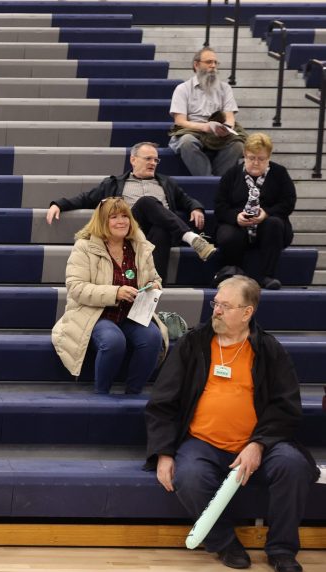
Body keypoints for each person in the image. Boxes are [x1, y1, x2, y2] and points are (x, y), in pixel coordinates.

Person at [145, 276, 318, 572]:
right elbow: (162, 402)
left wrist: (259, 444)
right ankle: (224, 543)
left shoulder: (268, 350)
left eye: (226, 306)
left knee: (293, 465)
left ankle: (281, 550)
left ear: (247, 312)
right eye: (216, 303)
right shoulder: (194, 344)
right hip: (202, 442)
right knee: (189, 475)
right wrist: (164, 452)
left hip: (257, 443)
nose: (217, 311)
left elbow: (286, 406)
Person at [46, 141, 215, 282]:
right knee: (146, 202)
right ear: (133, 160)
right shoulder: (114, 183)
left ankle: (153, 287)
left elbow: (186, 199)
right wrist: (59, 205)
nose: (153, 163)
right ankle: (191, 238)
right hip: (130, 230)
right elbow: (85, 198)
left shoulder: (166, 183)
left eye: (156, 160)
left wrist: (196, 207)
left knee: (161, 230)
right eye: (148, 159)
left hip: (159, 233)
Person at [51, 197, 167, 394]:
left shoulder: (140, 246)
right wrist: (116, 292)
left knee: (153, 338)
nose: (121, 221)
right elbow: (76, 287)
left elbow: (155, 277)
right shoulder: (84, 247)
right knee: (114, 341)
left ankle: (133, 393)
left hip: (132, 313)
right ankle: (102, 393)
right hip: (95, 313)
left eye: (125, 216)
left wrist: (153, 284)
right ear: (102, 221)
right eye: (114, 217)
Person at [214, 133, 295, 290]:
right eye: (251, 158)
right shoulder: (232, 174)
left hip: (269, 225)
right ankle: (233, 274)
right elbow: (220, 206)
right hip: (237, 224)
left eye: (261, 159)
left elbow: (288, 202)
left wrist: (267, 213)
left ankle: (267, 276)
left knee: (274, 223)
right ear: (244, 155)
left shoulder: (279, 173)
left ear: (269, 157)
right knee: (228, 234)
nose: (256, 163)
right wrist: (236, 217)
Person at [169, 47, 245, 176]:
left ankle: (219, 182)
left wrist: (226, 128)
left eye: (215, 63)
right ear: (196, 64)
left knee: (238, 145)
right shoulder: (182, 89)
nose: (213, 66)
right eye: (209, 62)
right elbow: (180, 121)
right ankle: (208, 180)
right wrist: (204, 127)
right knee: (186, 142)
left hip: (218, 133)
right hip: (193, 130)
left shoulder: (225, 88)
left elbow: (230, 117)